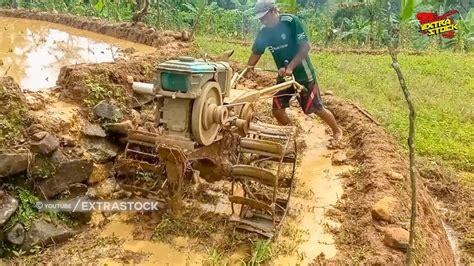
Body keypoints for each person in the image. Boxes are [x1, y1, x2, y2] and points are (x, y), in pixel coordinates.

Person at [246, 0, 343, 142]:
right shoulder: (264, 32)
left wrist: (291, 67)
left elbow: (306, 47)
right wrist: (248, 69)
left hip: (303, 74)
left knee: (315, 108)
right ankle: (294, 134)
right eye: (261, 19)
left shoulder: (291, 22)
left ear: (274, 11)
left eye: (265, 17)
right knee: (277, 111)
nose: (263, 21)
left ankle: (337, 130)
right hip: (284, 77)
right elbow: (256, 52)